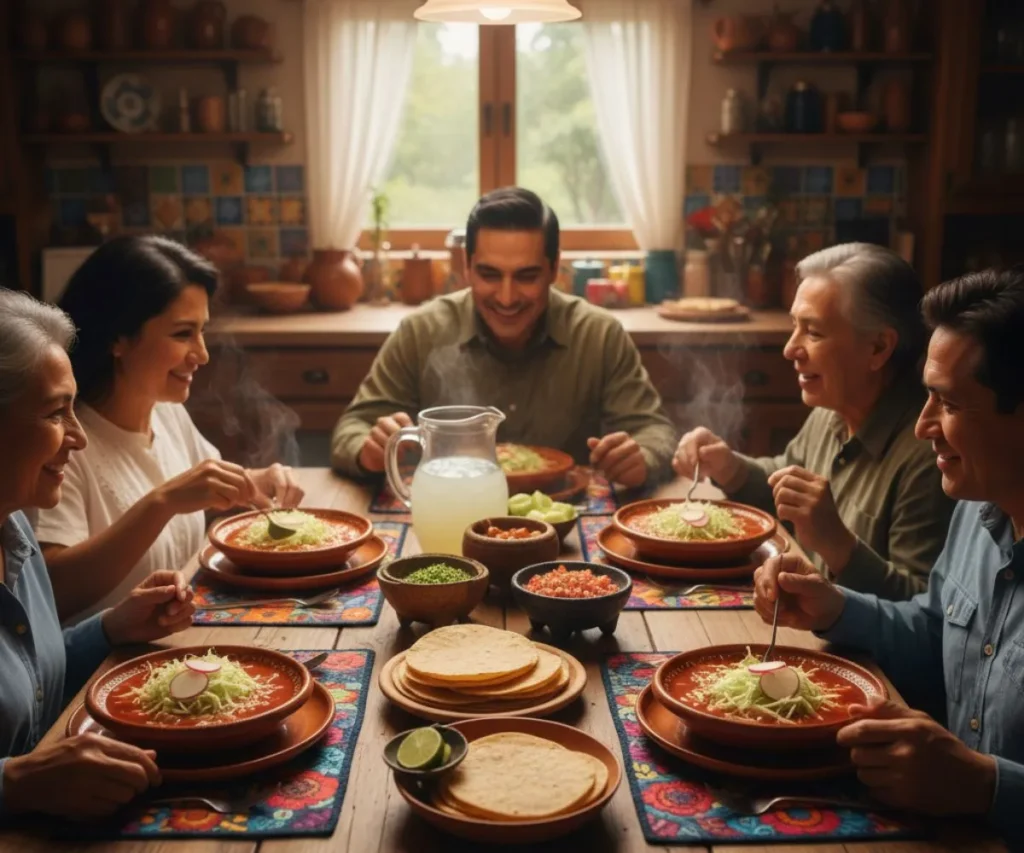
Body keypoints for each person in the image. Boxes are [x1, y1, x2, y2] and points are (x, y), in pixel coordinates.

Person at [752, 267, 1024, 844]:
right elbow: (934, 637)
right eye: (927, 396)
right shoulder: (978, 514)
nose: (924, 425)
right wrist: (834, 608)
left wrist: (987, 785)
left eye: (948, 403)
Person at [30, 236, 303, 625]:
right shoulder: (61, 444)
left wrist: (260, 482)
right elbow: (51, 592)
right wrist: (162, 503)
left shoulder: (166, 412)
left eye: (202, 331)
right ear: (118, 338)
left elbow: (203, 487)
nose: (202, 354)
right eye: (182, 334)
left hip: (177, 645)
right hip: (96, 670)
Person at [0, 289, 196, 820]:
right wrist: (9, 783)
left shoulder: (13, 530)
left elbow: (33, 681)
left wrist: (111, 627)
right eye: (55, 413)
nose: (79, 437)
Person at [331, 187, 677, 488]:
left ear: (555, 268)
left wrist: (641, 458)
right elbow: (351, 429)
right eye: (489, 274)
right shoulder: (420, 332)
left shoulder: (599, 335)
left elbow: (654, 432)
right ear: (466, 266)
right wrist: (368, 451)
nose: (507, 298)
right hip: (452, 511)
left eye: (527, 276)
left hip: (565, 525)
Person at [674, 244, 953, 600]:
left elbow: (925, 614)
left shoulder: (930, 457)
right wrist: (731, 468)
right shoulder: (831, 411)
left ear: (879, 348)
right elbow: (787, 482)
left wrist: (839, 547)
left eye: (814, 332)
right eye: (795, 326)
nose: (790, 349)